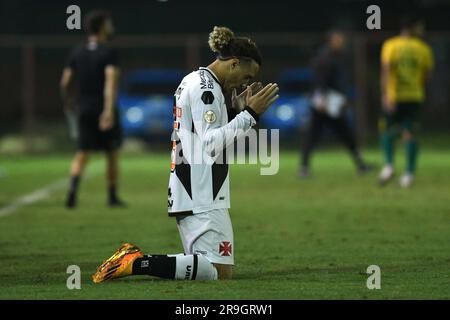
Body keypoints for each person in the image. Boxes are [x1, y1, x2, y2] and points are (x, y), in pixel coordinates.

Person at [91, 26, 279, 282]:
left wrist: (234, 112)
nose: (244, 83)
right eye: (247, 76)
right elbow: (212, 143)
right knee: (219, 271)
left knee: (211, 267)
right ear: (234, 64)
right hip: (201, 189)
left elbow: (199, 134)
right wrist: (250, 115)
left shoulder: (194, 80)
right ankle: (136, 262)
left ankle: (136, 261)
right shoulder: (208, 90)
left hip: (192, 185)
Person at [60, 10, 125, 208]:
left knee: (82, 152)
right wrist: (108, 110)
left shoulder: (77, 51)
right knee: (111, 152)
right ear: (103, 26)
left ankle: (72, 193)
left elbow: (64, 83)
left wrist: (69, 103)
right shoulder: (108, 52)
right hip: (102, 108)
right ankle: (112, 197)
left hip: (84, 108)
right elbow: (110, 83)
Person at [299, 30, 372, 178]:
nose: (342, 42)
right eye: (339, 39)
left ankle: (360, 164)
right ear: (331, 41)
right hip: (324, 104)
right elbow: (320, 82)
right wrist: (321, 101)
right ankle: (304, 168)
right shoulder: (325, 57)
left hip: (331, 103)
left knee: (344, 134)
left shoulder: (333, 56)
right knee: (315, 135)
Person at [378, 15, 434, 188]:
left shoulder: (391, 45)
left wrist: (386, 94)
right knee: (410, 133)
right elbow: (427, 75)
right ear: (414, 27)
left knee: (387, 130)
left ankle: (388, 166)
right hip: (414, 96)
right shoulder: (423, 48)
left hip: (395, 95)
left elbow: (386, 71)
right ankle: (408, 174)